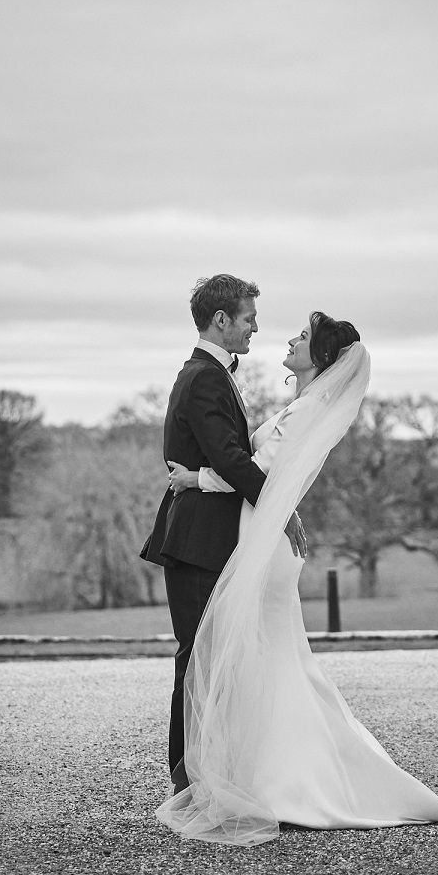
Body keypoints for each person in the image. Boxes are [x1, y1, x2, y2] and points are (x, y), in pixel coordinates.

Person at [154, 309, 438, 845]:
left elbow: (259, 474)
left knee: (268, 658)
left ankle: (283, 784)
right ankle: (263, 776)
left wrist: (196, 476)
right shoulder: (302, 406)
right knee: (270, 661)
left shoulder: (306, 411)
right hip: (258, 535)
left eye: (301, 337)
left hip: (263, 544)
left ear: (320, 357)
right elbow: (259, 472)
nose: (288, 338)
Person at [140, 274, 304, 790]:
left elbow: (225, 459)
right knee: (197, 660)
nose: (256, 328)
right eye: (249, 318)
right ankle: (186, 780)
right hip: (197, 542)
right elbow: (229, 457)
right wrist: (279, 508)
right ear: (221, 320)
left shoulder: (209, 373)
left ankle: (208, 773)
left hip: (210, 538)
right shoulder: (206, 376)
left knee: (213, 659)